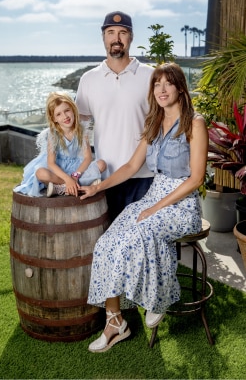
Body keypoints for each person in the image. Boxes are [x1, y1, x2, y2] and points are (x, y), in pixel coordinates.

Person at [79, 62, 208, 352]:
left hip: (182, 204)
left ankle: (158, 298)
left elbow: (197, 178)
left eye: (168, 83)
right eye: (156, 84)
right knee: (107, 243)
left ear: (180, 87)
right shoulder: (152, 124)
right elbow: (130, 166)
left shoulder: (194, 123)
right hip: (154, 197)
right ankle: (115, 322)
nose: (161, 89)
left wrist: (155, 207)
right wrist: (98, 186)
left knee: (143, 230)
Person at [75, 11, 154, 221]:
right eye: (110, 32)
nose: (116, 38)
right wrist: (83, 165)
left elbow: (163, 122)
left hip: (144, 176)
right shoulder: (88, 79)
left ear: (131, 37)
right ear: (103, 37)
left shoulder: (150, 75)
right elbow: (79, 126)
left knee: (142, 244)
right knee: (108, 239)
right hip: (105, 177)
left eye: (122, 32)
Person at [14, 92, 106, 197]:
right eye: (59, 114)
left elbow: (87, 158)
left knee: (101, 164)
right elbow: (51, 163)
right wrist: (67, 179)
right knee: (41, 173)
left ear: (73, 109)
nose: (65, 116)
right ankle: (77, 185)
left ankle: (62, 187)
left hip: (75, 168)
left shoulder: (81, 130)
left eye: (67, 110)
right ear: (54, 119)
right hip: (58, 169)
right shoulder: (53, 134)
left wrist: (75, 176)